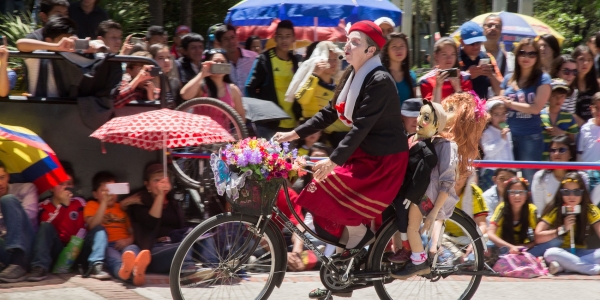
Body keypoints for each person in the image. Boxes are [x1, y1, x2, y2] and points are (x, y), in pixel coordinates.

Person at [273, 20, 409, 299]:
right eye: (348, 39)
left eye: (355, 42)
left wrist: (332, 161)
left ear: (371, 50)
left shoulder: (380, 80)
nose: (347, 45)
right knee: (321, 192)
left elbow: (361, 127)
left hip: (384, 162)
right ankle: (338, 276)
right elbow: (329, 113)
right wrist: (293, 134)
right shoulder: (352, 74)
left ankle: (360, 238)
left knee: (325, 185)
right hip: (365, 155)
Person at [392, 91, 488, 278]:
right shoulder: (431, 139)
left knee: (412, 226)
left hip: (428, 197)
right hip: (419, 191)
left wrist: (434, 213)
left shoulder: (448, 146)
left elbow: (446, 183)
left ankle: (418, 260)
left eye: (451, 109)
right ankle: (404, 251)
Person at [121, 164, 218, 275]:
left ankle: (213, 268)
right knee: (183, 246)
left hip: (174, 242)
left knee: (202, 234)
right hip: (155, 249)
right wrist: (160, 196)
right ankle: (187, 268)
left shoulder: (173, 203)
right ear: (147, 185)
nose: (161, 183)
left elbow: (182, 227)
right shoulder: (140, 202)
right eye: (156, 180)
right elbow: (151, 223)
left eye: (164, 180)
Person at [27, 168, 110, 282]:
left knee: (99, 230)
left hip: (78, 249)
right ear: (51, 187)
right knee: (45, 227)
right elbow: (47, 226)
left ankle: (96, 266)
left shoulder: (80, 202)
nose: (66, 187)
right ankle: (39, 267)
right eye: (61, 184)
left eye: (69, 184)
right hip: (57, 250)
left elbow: (90, 226)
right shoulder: (44, 206)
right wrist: (63, 206)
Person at [496, 38, 551, 184]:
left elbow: (536, 108)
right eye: (522, 53)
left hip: (530, 138)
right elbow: (501, 106)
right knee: (505, 180)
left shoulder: (543, 79)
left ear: (537, 57)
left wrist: (510, 103)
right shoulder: (508, 78)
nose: (526, 57)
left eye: (532, 54)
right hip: (506, 137)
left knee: (530, 181)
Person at [84, 172, 150, 285]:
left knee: (132, 249)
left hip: (125, 243)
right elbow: (93, 226)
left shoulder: (121, 207)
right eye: (104, 191)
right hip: (108, 245)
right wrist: (104, 202)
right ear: (95, 194)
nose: (109, 194)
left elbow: (132, 232)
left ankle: (136, 270)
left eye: (112, 190)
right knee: (114, 259)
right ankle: (123, 272)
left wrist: (128, 240)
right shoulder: (92, 205)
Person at [536, 172, 600, 275]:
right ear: (561, 193)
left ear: (583, 193)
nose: (571, 196)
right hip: (561, 252)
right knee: (550, 253)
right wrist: (562, 229)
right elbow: (538, 237)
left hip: (581, 252)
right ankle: (593, 269)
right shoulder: (555, 209)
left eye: (576, 192)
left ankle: (566, 267)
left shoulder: (590, 209)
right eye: (566, 192)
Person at [246, 20, 301, 139]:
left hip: (291, 124)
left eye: (287, 36)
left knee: (289, 158)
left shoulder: (295, 61)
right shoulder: (264, 59)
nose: (284, 40)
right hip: (269, 125)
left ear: (293, 38)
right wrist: (261, 113)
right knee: (269, 157)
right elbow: (249, 87)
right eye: (280, 36)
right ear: (275, 38)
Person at [290, 41, 347, 148]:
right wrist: (315, 74)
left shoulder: (340, 84)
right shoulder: (311, 81)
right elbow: (301, 99)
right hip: (322, 140)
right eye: (329, 59)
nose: (333, 63)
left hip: (345, 137)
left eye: (335, 59)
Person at [180, 48, 245, 119]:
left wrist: (235, 130)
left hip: (223, 130)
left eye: (223, 62)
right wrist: (202, 74)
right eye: (215, 62)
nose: (219, 64)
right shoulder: (201, 85)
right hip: (201, 128)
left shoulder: (232, 89)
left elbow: (241, 115)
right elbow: (185, 95)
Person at [0, 160, 38, 283]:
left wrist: (8, 213)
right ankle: (8, 265)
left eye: (2, 177)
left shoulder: (26, 188)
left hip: (26, 246)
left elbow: (29, 215)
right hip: (4, 249)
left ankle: (18, 263)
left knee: (8, 200)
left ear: (8, 176)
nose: (0, 183)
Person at [532, 135, 589, 216]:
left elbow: (585, 207)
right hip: (549, 225)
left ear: (571, 154)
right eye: (553, 150)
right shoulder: (540, 177)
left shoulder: (582, 177)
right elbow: (539, 212)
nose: (556, 154)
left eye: (562, 150)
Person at [487, 177, 538, 255]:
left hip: (523, 248)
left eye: (521, 192)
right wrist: (511, 247)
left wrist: (523, 247)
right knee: (487, 246)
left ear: (527, 195)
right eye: (512, 192)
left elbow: (537, 238)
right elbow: (490, 234)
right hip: (501, 247)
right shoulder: (502, 208)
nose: (517, 196)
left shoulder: (532, 210)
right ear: (507, 195)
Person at [418, 37, 473, 102]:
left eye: (453, 54)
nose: (449, 59)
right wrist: (438, 87)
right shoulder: (426, 80)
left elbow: (468, 107)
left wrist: (457, 88)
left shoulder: (465, 77)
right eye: (444, 54)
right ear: (436, 56)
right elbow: (430, 110)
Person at [458, 21, 502, 99]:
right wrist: (466, 76)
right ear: (462, 42)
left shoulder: (487, 57)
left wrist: (491, 76)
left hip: (482, 107)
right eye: (471, 43)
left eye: (478, 42)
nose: (475, 46)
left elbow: (500, 91)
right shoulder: (454, 58)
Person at [540, 79, 579, 160]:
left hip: (560, 159)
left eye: (562, 96)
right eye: (554, 95)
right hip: (541, 158)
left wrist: (562, 134)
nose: (558, 99)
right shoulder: (539, 115)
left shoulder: (569, 117)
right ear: (548, 96)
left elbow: (572, 142)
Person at [479, 100, 513, 191]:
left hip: (507, 170)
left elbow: (509, 151)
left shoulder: (507, 131)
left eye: (503, 114)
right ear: (490, 116)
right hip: (491, 171)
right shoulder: (487, 133)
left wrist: (513, 168)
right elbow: (489, 152)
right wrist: (502, 139)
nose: (501, 117)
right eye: (496, 114)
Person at [213, 24, 258, 92]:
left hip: (252, 101)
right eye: (226, 39)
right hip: (229, 102)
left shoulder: (253, 57)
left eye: (232, 37)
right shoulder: (219, 63)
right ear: (220, 43)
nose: (231, 41)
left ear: (237, 38)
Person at [381, 32, 416, 105]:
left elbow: (414, 104)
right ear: (387, 51)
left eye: (402, 46)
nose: (399, 50)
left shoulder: (411, 75)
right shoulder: (380, 74)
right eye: (394, 46)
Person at [148, 43, 182, 108]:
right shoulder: (145, 84)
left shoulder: (175, 83)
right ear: (151, 60)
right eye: (161, 58)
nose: (167, 61)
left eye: (168, 57)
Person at [572, 45, 599, 122]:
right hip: (572, 128)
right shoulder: (569, 82)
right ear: (574, 60)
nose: (585, 63)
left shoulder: (596, 84)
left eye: (589, 59)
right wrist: (584, 125)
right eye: (581, 59)